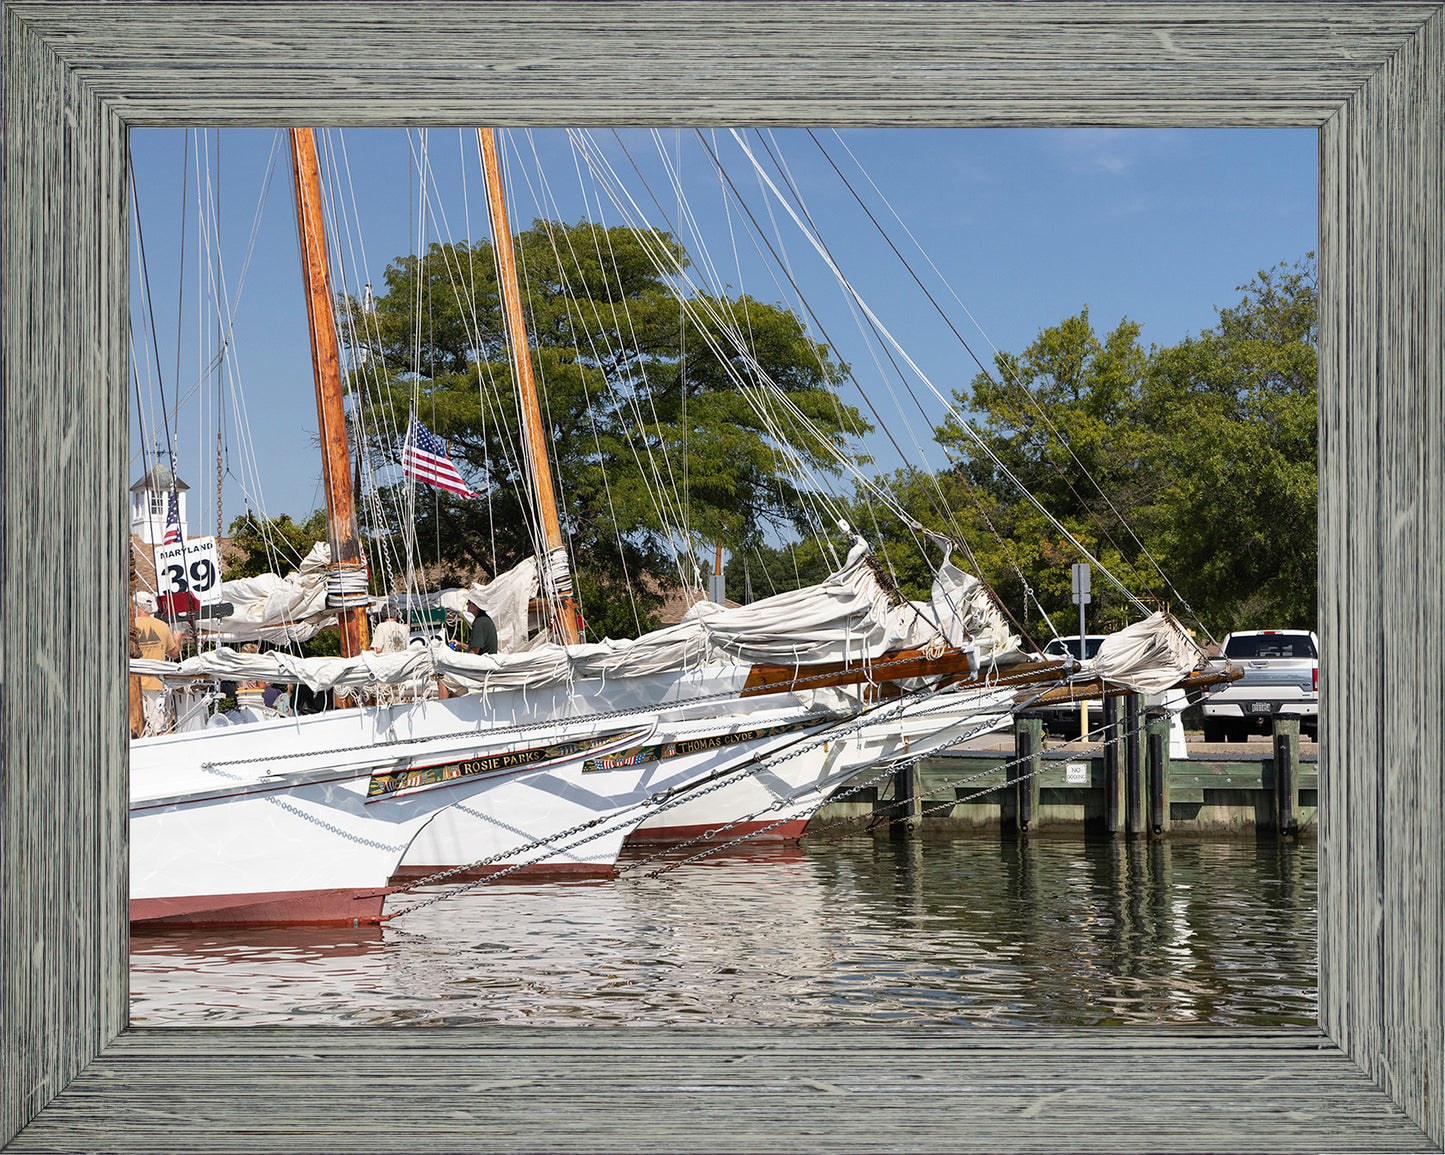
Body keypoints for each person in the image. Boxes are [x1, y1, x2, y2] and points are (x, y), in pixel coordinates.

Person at [132, 592, 180, 736]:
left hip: (135, 684)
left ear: (137, 606)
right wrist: (177, 639)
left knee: (137, 728)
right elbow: (174, 653)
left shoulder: (131, 626)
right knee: (159, 728)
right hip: (157, 683)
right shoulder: (163, 626)